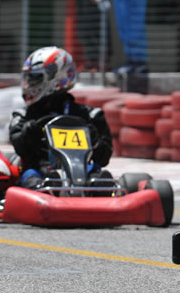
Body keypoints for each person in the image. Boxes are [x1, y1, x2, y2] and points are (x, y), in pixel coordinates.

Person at [9, 47, 113, 190]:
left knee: (100, 178)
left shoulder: (90, 116)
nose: (29, 84)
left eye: (35, 78)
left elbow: (104, 158)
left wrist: (94, 141)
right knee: (31, 179)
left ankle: (99, 189)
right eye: (29, 78)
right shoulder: (24, 115)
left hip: (83, 171)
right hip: (38, 170)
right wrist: (31, 130)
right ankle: (50, 188)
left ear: (58, 78)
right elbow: (19, 147)